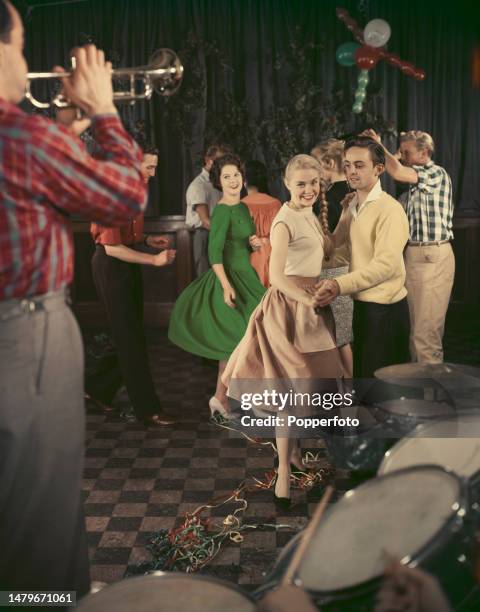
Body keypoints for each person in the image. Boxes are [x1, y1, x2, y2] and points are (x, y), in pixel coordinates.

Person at [0, 0, 147, 597]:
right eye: (20, 45)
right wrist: (107, 111)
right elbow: (127, 197)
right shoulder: (19, 135)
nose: (26, 62)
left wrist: (61, 136)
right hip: (22, 336)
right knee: (41, 516)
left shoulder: (32, 141)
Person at [223, 154, 345, 507]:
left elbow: (326, 250)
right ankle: (283, 477)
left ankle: (290, 456)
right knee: (290, 397)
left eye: (313, 183)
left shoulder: (310, 213)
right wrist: (306, 301)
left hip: (313, 303)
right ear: (287, 184)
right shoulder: (282, 221)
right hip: (290, 308)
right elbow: (276, 277)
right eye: (301, 183)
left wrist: (347, 214)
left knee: (311, 390)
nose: (308, 189)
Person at [86, 143, 178, 427]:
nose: (152, 173)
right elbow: (112, 248)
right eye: (148, 167)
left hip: (123, 263)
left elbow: (126, 236)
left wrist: (148, 240)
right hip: (111, 266)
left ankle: (95, 388)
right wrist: (154, 260)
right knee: (131, 338)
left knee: (129, 334)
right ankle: (147, 409)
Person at [168, 153, 265, 416]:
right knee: (246, 340)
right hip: (231, 280)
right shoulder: (221, 211)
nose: (233, 180)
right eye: (227, 177)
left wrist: (252, 243)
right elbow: (215, 254)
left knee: (241, 342)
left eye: (236, 175)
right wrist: (226, 286)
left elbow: (241, 241)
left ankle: (221, 398)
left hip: (248, 278)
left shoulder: (243, 207)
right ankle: (252, 400)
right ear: (218, 182)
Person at [315, 137, 410, 398]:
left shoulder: (390, 210)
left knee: (385, 396)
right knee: (365, 391)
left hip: (386, 313)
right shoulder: (353, 205)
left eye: (359, 165)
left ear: (379, 169)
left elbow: (385, 266)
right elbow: (342, 250)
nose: (351, 172)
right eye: (347, 166)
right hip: (363, 309)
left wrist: (337, 285)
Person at [363, 128, 454, 363]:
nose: (401, 156)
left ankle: (431, 397)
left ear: (424, 152)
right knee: (414, 332)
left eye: (406, 152)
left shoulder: (436, 174)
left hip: (432, 255)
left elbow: (398, 171)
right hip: (413, 256)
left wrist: (378, 146)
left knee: (426, 335)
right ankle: (422, 392)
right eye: (400, 152)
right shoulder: (411, 193)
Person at [311, 139, 354, 378]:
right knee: (343, 335)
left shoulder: (327, 199)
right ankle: (347, 389)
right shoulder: (355, 193)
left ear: (328, 163)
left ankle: (345, 389)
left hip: (331, 270)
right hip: (350, 269)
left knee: (337, 336)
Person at [185, 144, 230, 276]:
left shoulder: (218, 183)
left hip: (219, 234)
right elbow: (205, 221)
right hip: (205, 235)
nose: (224, 166)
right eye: (221, 162)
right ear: (209, 160)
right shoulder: (199, 185)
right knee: (206, 278)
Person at [241, 160, 281, 287]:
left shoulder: (240, 205)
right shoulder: (276, 203)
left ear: (244, 180)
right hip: (273, 256)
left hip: (249, 255)